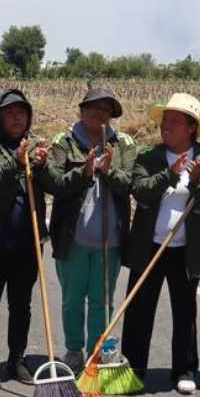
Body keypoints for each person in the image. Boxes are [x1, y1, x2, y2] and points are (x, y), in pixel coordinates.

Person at [121, 93, 200, 394]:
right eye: (165, 120)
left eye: (174, 121)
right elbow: (140, 190)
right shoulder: (148, 157)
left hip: (186, 249)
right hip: (149, 245)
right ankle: (133, 367)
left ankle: (185, 369)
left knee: (185, 310)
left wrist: (197, 181)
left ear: (191, 127)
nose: (166, 126)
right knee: (139, 308)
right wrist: (169, 174)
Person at [44, 86, 136, 369]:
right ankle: (73, 350)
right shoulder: (64, 141)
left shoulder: (124, 143)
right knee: (72, 299)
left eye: (106, 109)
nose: (99, 113)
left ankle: (96, 352)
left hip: (110, 240)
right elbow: (55, 183)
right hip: (73, 238)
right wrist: (83, 173)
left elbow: (128, 183)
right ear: (82, 110)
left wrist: (108, 171)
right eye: (94, 107)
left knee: (102, 301)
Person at [0, 88, 50, 387]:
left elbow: (56, 184)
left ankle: (16, 360)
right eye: (10, 113)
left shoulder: (36, 145)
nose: (17, 118)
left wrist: (42, 166)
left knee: (21, 305)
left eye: (22, 112)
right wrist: (16, 162)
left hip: (27, 244)